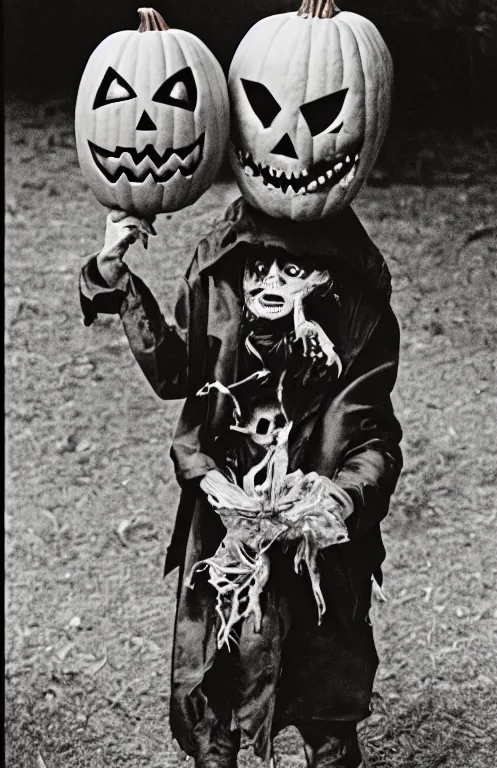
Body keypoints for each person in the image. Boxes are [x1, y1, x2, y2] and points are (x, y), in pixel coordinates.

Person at [79, 196, 402, 768]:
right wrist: (114, 273)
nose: (269, 281)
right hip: (228, 535)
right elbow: (175, 369)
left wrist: (340, 496)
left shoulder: (350, 344)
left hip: (314, 543)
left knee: (326, 688)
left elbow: (373, 440)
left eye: (292, 271)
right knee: (217, 676)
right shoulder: (225, 320)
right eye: (258, 270)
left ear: (324, 278)